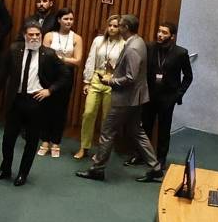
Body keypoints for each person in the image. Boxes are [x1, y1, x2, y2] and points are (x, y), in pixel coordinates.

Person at [78, 16, 158, 181]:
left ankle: (97, 169)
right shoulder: (139, 41)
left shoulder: (132, 48)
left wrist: (110, 81)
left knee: (107, 132)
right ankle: (155, 168)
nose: (117, 28)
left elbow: (130, 77)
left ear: (126, 27)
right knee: (137, 132)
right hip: (136, 98)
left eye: (120, 25)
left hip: (125, 99)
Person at [0, 22, 66, 186]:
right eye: (31, 35)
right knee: (8, 138)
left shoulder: (48, 54)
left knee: (32, 141)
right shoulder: (14, 50)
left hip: (36, 102)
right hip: (16, 100)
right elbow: (2, 74)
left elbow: (65, 75)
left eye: (37, 35)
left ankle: (22, 174)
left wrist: (50, 90)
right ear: (24, 35)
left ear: (41, 36)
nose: (34, 38)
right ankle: (5, 169)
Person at [144, 21, 192, 161]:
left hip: (167, 97)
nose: (160, 35)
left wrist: (178, 95)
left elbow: (188, 77)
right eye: (159, 31)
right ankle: (142, 156)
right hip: (149, 95)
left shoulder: (180, 53)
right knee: (145, 127)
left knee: (164, 130)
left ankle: (161, 159)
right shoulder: (150, 47)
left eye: (164, 33)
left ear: (172, 36)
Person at [37, 10, 82, 157]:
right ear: (59, 20)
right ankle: (44, 141)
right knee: (46, 108)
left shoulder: (76, 38)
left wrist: (59, 58)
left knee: (60, 110)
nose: (69, 22)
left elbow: (78, 61)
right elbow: (44, 55)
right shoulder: (50, 35)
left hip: (66, 76)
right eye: (66, 19)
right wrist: (65, 59)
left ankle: (56, 142)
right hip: (48, 75)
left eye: (71, 19)